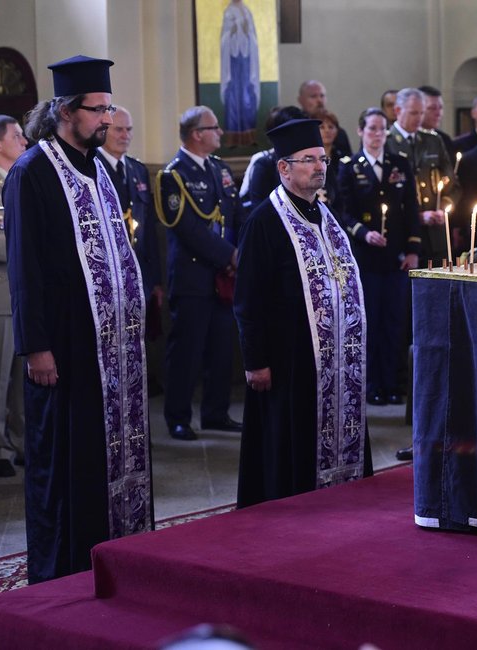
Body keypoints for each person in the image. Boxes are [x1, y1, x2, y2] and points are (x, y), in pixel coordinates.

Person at [4, 55, 152, 582]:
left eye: (109, 108)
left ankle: (119, 555)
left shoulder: (98, 169)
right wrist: (36, 345)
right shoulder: (32, 172)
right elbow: (26, 268)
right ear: (65, 111)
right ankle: (64, 571)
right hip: (64, 346)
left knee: (106, 456)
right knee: (65, 459)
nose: (107, 119)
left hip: (113, 351)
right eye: (98, 109)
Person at [234, 118, 372, 508]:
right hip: (288, 362)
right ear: (284, 168)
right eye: (308, 160)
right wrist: (255, 361)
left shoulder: (325, 217)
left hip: (334, 364)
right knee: (290, 450)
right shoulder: (264, 221)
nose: (319, 167)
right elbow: (247, 300)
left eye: (322, 159)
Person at [155, 106, 245, 440]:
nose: (220, 132)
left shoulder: (219, 169)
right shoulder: (172, 176)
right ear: (197, 134)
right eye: (214, 127)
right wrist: (230, 254)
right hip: (194, 278)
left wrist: (239, 253)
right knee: (186, 352)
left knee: (221, 349)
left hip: (224, 276)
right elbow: (187, 228)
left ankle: (216, 413)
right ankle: (178, 416)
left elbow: (234, 217)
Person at [336, 107, 420, 406]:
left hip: (396, 257)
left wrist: (412, 249)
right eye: (371, 128)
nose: (377, 134)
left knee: (395, 323)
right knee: (370, 322)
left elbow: (410, 207)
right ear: (360, 131)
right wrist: (363, 233)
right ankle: (371, 384)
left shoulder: (399, 164)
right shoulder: (349, 166)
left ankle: (394, 383)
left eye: (382, 129)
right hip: (366, 258)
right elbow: (343, 212)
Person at [97, 106, 163, 306]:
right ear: (103, 130)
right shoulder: (92, 167)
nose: (125, 135)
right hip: (108, 276)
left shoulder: (137, 169)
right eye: (119, 129)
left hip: (139, 273)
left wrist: (156, 280)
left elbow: (148, 228)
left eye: (129, 129)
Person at [385, 87, 458, 267]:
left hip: (436, 235)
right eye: (413, 113)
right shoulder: (387, 142)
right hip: (404, 235)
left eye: (421, 112)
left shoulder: (433, 141)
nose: (419, 118)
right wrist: (418, 216)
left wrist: (443, 209)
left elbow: (453, 184)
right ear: (397, 111)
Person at [0, 115, 26, 478]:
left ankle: (22, 441)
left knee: (24, 376)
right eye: (16, 136)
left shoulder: (22, 178)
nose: (25, 141)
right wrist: (21, 243)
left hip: (24, 293)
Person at [219, 0, 259, 145]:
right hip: (233, 63)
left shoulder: (247, 11)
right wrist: (233, 33)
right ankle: (233, 139)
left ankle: (249, 137)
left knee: (248, 98)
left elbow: (253, 36)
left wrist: (248, 33)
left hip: (247, 61)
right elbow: (224, 37)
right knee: (234, 99)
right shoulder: (228, 11)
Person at [297, 79, 352, 157]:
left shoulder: (339, 133)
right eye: (313, 96)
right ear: (300, 100)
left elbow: (348, 160)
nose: (319, 100)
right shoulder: (295, 130)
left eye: (322, 96)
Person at [419, 85, 454, 154]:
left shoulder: (444, 139)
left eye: (440, 108)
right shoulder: (409, 138)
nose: (438, 113)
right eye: (432, 108)